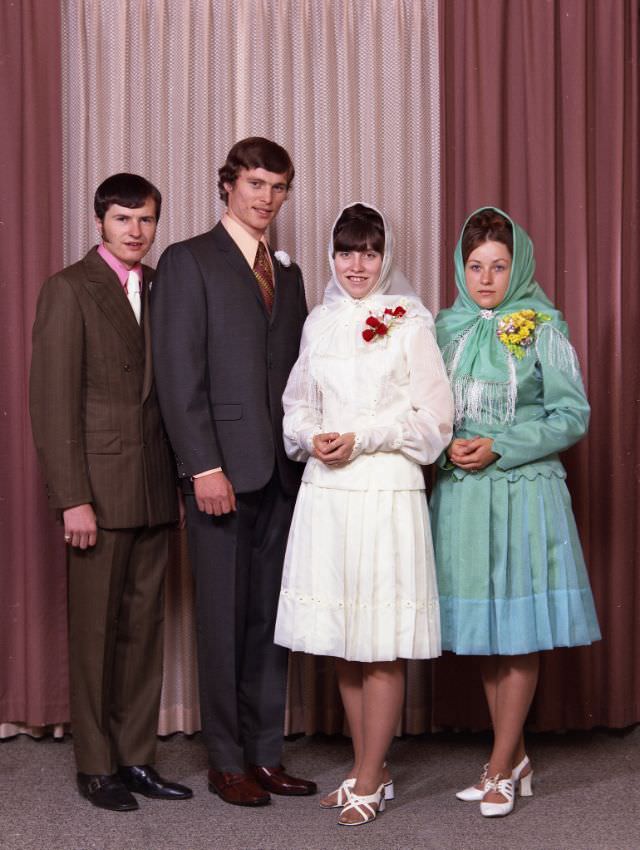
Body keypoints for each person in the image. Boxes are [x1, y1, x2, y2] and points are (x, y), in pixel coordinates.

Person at [274, 202, 453, 826]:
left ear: (386, 257)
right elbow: (297, 401)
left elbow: (433, 423)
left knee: (380, 643)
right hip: (328, 492)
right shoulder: (319, 322)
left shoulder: (410, 323)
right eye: (347, 252)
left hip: (384, 491)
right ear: (333, 256)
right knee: (345, 642)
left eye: (370, 252)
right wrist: (314, 433)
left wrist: (362, 438)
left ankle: (373, 776)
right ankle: (362, 766)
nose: (358, 265)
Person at [150, 137, 314, 807]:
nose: (266, 198)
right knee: (221, 619)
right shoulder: (188, 261)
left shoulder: (290, 272)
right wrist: (203, 468)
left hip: (282, 472)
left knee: (271, 621)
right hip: (222, 473)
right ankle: (224, 760)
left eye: (277, 187)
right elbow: (177, 376)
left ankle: (265, 754)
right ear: (227, 186)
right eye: (254, 184)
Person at [430, 207, 601, 817]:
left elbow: (572, 415)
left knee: (519, 631)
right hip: (464, 494)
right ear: (461, 268)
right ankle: (516, 753)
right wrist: (444, 441)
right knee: (485, 632)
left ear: (517, 267)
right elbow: (426, 408)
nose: (485, 279)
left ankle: (499, 766)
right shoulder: (444, 327)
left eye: (498, 267)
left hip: (525, 490)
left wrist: (502, 444)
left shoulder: (543, 325)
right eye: (475, 267)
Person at [29, 173, 192, 811]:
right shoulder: (69, 290)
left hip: (152, 486)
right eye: (124, 219)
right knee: (96, 633)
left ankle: (136, 758)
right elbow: (52, 403)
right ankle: (96, 765)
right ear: (100, 221)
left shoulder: (161, 287)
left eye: (147, 220)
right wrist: (72, 498)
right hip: (96, 492)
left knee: (144, 632)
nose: (136, 231)